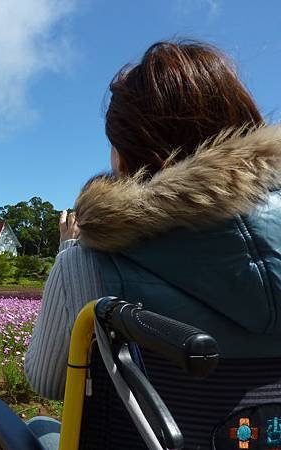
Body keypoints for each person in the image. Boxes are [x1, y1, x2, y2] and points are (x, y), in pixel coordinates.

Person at [24, 39, 281, 449]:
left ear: (129, 155)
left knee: (40, 428)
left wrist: (66, 252)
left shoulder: (88, 261)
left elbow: (49, 380)